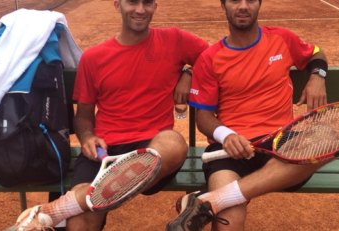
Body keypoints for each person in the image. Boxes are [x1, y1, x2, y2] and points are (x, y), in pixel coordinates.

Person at [15, 0, 209, 230]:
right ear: (117, 5)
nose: (139, 9)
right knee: (79, 225)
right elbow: (84, 116)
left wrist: (189, 72)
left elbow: (213, 57)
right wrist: (87, 138)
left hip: (154, 149)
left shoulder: (174, 40)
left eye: (146, 3)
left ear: (155, 6)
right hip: (103, 151)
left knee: (174, 142)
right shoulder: (93, 58)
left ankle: (61, 207)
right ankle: (98, 194)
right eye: (132, 2)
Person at [165, 0, 329, 230]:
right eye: (234, 0)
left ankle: (214, 200)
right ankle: (222, 198)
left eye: (250, 0)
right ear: (223, 6)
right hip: (229, 151)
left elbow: (315, 52)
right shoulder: (210, 58)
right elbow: (203, 117)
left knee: (325, 136)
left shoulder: (282, 38)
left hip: (281, 143)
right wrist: (227, 135)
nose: (243, 6)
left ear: (259, 5)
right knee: (228, 225)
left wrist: (317, 76)